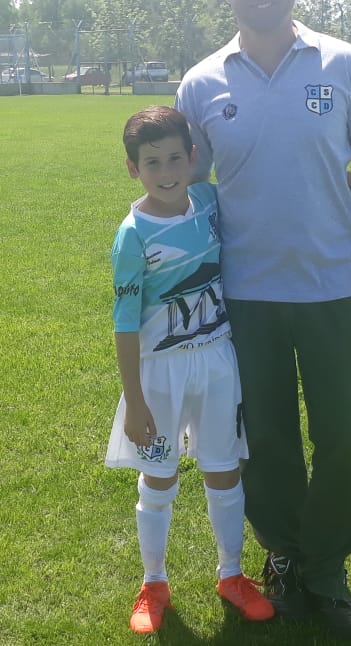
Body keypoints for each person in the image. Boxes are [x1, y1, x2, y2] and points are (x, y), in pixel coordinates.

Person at [174, 0, 351, 640]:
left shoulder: (342, 64)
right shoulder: (201, 84)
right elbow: (184, 185)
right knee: (264, 441)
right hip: (245, 297)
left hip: (334, 289)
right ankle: (285, 555)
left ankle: (327, 569)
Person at [104, 105, 274, 635]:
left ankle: (231, 575)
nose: (166, 172)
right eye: (152, 163)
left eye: (175, 158)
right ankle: (154, 583)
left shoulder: (208, 200)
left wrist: (344, 178)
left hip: (217, 361)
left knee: (224, 469)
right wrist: (135, 401)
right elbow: (125, 325)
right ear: (133, 169)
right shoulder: (132, 235)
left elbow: (266, 185)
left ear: (193, 158)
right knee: (160, 476)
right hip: (160, 373)